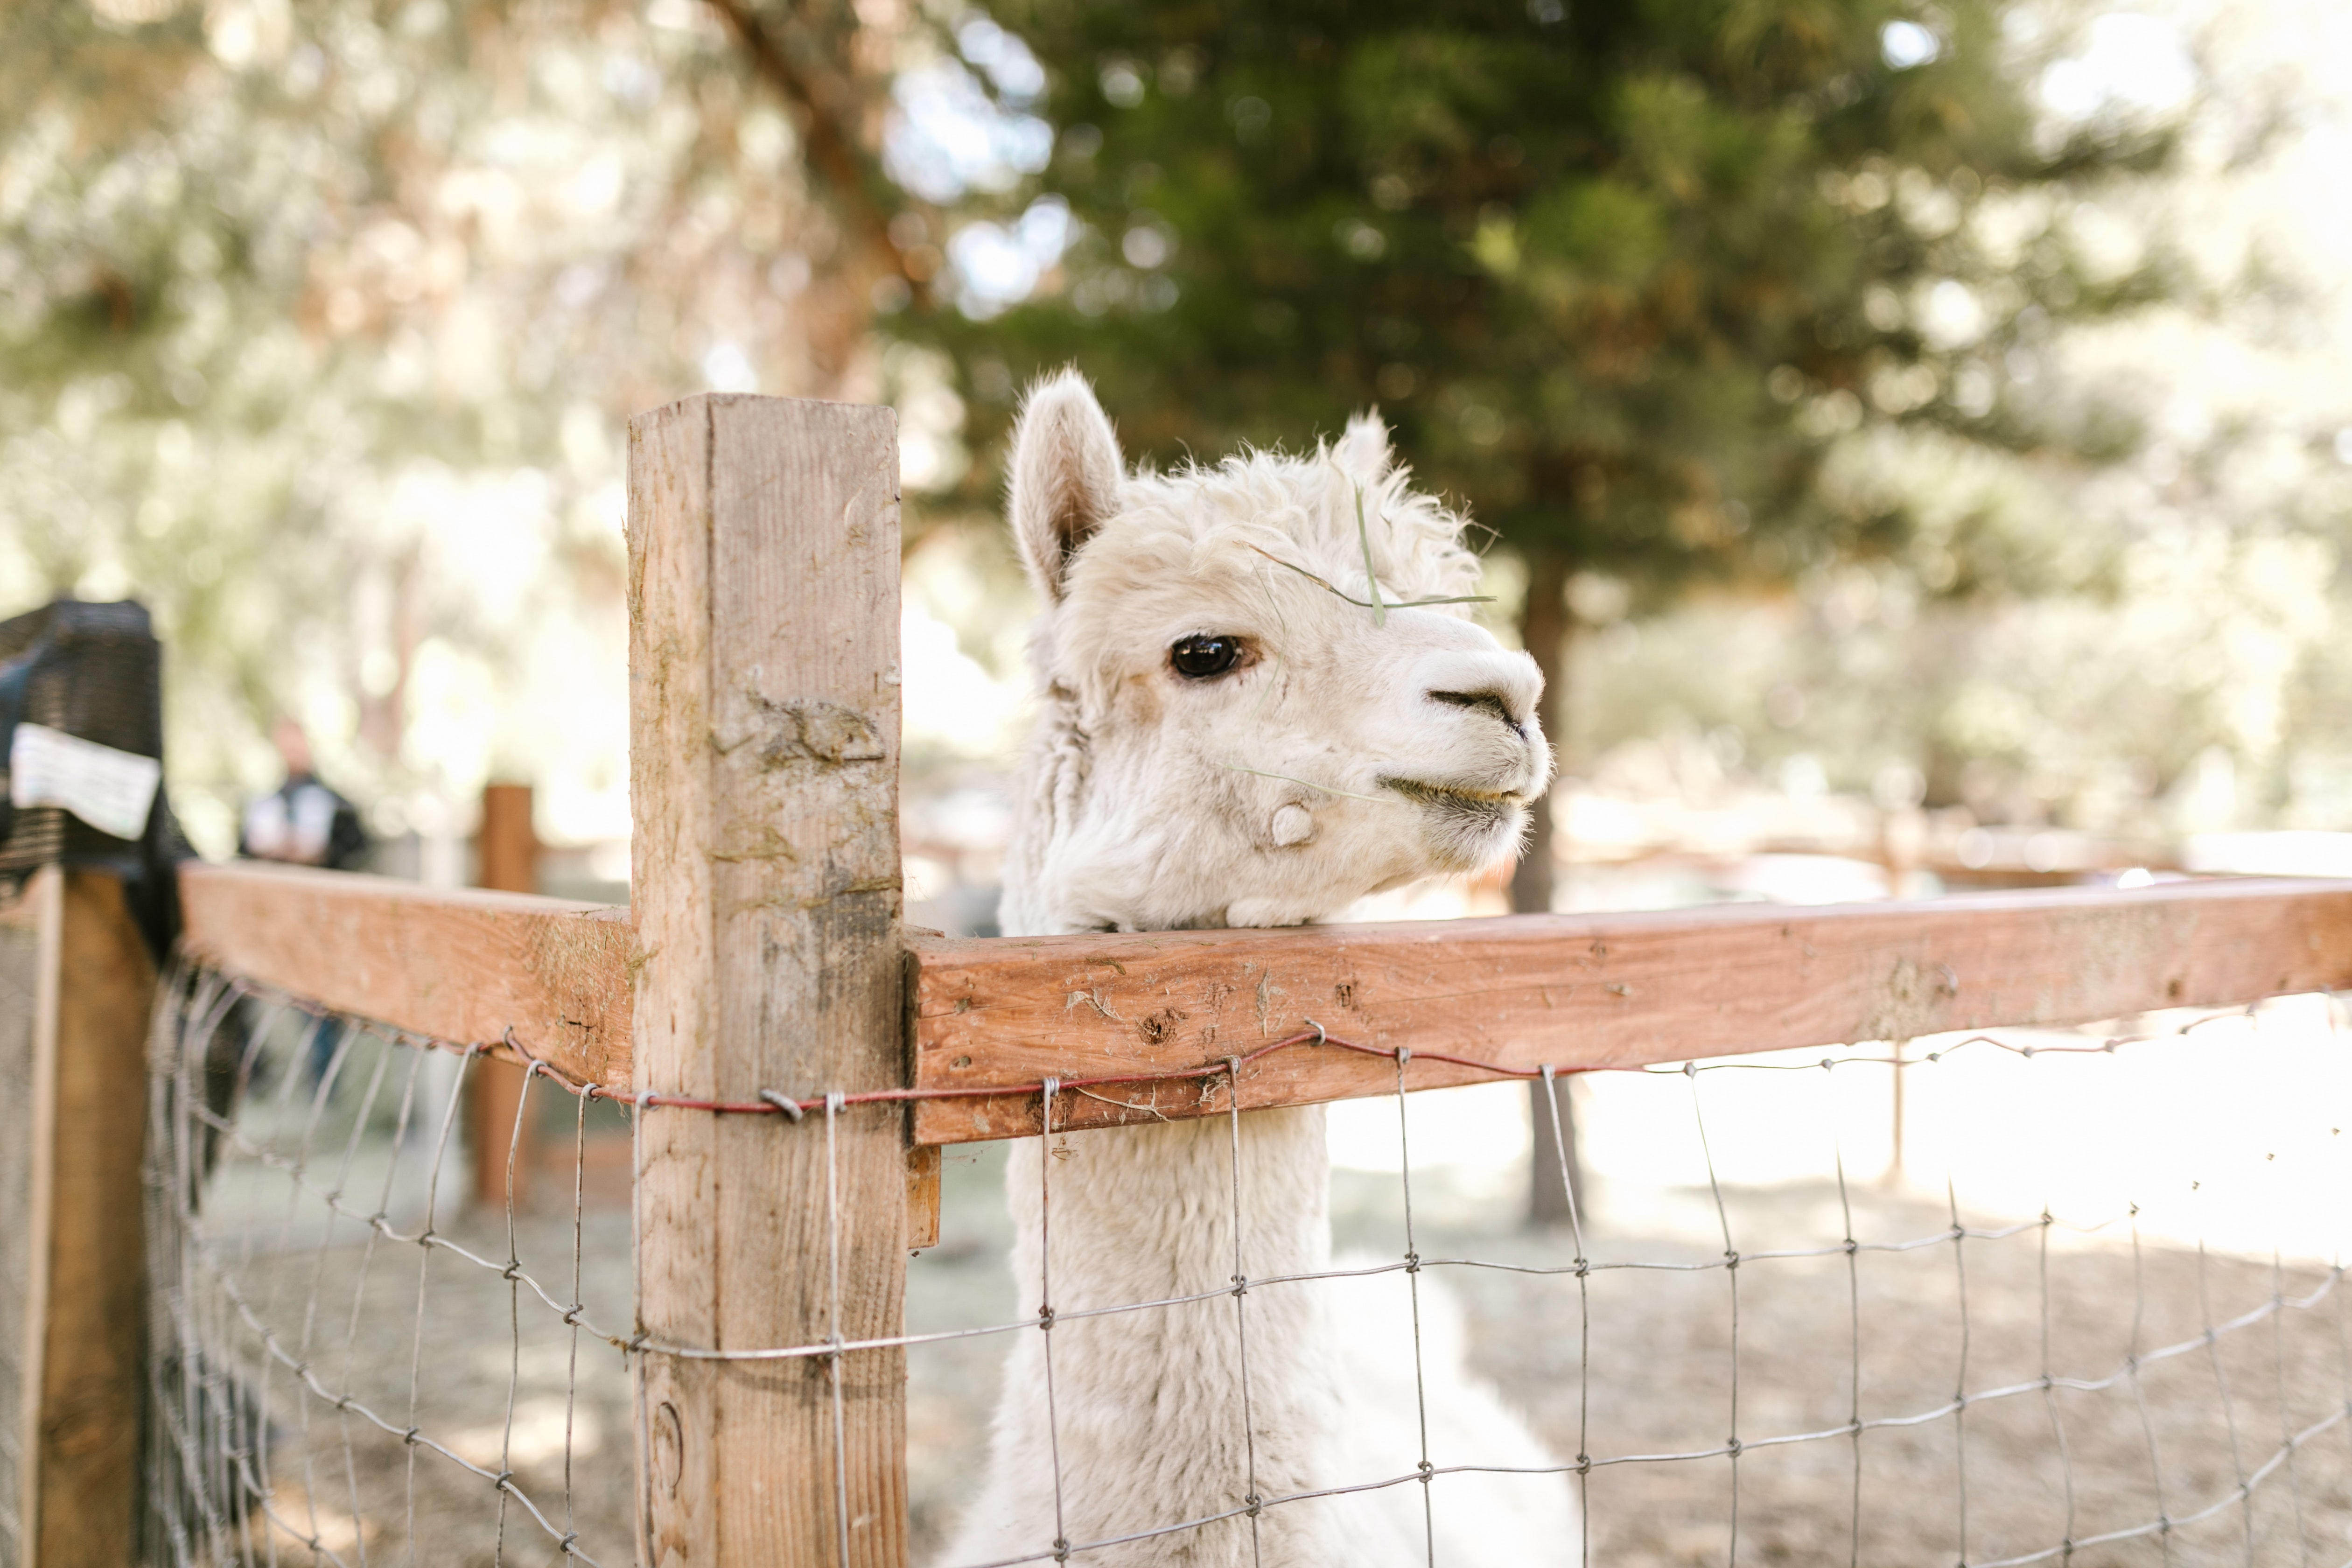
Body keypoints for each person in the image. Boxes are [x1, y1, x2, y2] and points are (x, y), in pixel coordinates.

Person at [238, 716, 369, 871]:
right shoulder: (265, 804)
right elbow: (245, 853)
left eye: (296, 743)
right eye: (287, 745)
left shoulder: (336, 804)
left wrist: (324, 854)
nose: (292, 750)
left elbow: (356, 851)